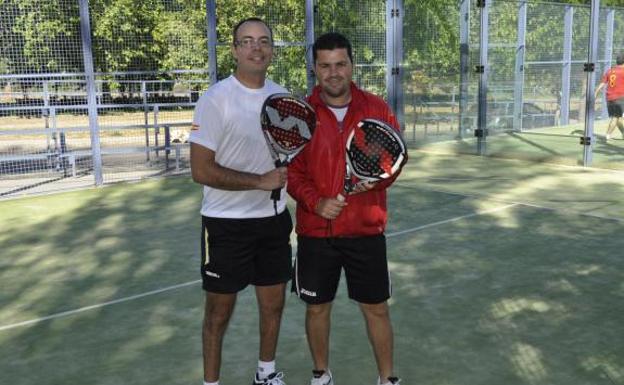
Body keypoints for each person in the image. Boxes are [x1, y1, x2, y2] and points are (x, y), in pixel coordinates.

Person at [287, 32, 404, 385]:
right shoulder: (302, 113)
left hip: (365, 230)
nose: (333, 72)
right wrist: (316, 202)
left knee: (377, 309)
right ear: (314, 69)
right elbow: (292, 172)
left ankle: (387, 379)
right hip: (315, 233)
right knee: (317, 307)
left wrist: (377, 181)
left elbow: (394, 159)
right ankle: (321, 375)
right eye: (325, 66)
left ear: (352, 65)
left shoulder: (376, 108)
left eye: (340, 64)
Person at [189, 17, 292, 385]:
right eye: (246, 41)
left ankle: (265, 373)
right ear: (234, 50)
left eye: (263, 41)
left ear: (272, 50)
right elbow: (200, 170)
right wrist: (259, 181)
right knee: (218, 313)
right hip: (225, 223)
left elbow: (291, 155)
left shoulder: (283, 99)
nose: (256, 48)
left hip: (274, 220)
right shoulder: (215, 99)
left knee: (273, 305)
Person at [595, 53, 624, 140]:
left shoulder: (609, 71)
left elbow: (602, 84)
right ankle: (608, 135)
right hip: (620, 98)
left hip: (609, 98)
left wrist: (595, 93)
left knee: (617, 117)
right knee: (616, 117)